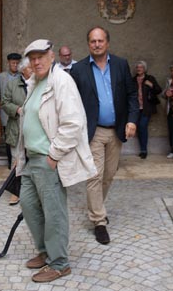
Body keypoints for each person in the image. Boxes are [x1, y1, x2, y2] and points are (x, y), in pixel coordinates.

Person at [14, 39, 96, 283]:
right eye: (32, 57)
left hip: (48, 160)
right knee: (29, 206)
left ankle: (59, 263)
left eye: (41, 56)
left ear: (51, 56)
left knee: (54, 213)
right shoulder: (34, 83)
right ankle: (45, 252)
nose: (36, 61)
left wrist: (54, 155)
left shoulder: (61, 81)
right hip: (31, 159)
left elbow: (73, 123)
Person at [70, 26, 139, 244]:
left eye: (100, 41)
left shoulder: (120, 64)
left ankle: (97, 206)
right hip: (94, 132)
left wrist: (131, 119)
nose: (97, 44)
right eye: (93, 41)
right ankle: (99, 221)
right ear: (88, 44)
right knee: (94, 175)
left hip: (116, 131)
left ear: (107, 42)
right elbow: (72, 103)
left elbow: (131, 95)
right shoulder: (79, 70)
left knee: (108, 175)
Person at [0, 56, 32, 205]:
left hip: (34, 129)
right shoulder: (13, 84)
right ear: (23, 70)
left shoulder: (39, 84)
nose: (33, 70)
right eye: (30, 68)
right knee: (17, 160)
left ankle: (32, 191)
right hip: (17, 127)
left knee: (33, 160)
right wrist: (17, 109)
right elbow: (4, 102)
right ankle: (15, 192)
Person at [0, 52, 22, 168]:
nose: (15, 65)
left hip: (20, 113)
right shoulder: (1, 77)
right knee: (9, 137)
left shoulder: (23, 75)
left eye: (17, 63)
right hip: (7, 112)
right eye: (13, 63)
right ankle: (11, 163)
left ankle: (20, 162)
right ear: (8, 63)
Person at [132, 60, 161, 159]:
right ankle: (142, 149)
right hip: (136, 108)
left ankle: (144, 150)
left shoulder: (150, 78)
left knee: (142, 126)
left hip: (147, 108)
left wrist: (151, 85)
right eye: (137, 67)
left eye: (141, 67)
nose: (139, 69)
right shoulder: (133, 80)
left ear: (144, 69)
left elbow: (158, 90)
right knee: (139, 128)